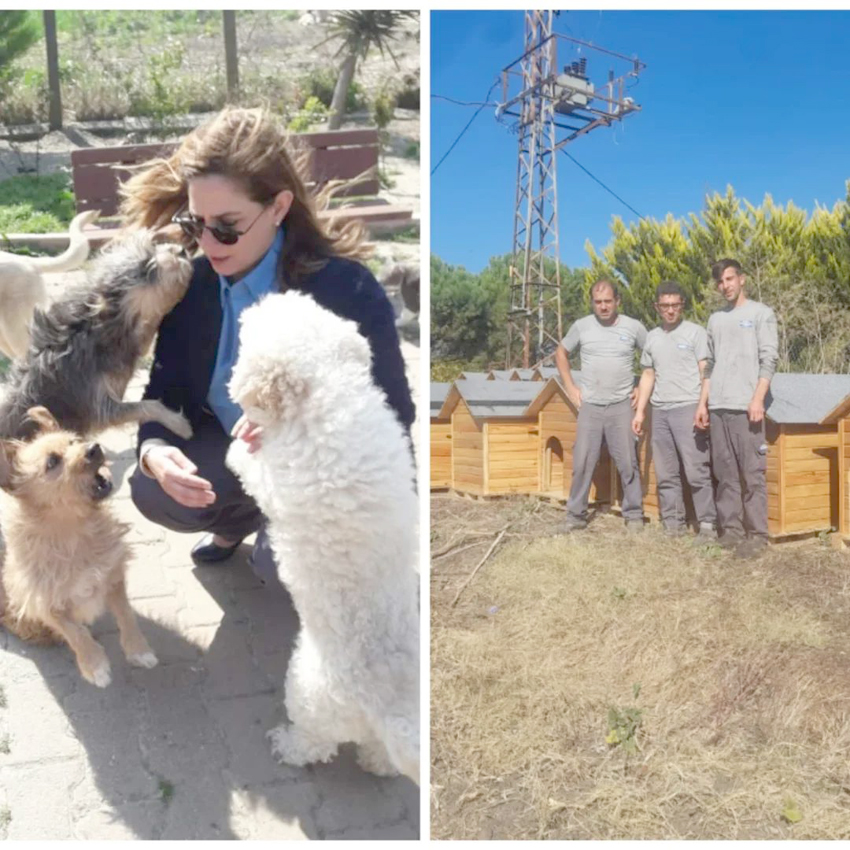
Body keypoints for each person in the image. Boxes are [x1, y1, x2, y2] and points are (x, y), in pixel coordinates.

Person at [120, 107, 415, 581]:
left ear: (278, 207)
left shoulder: (346, 290)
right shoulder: (191, 286)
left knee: (285, 569)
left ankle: (280, 530)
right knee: (152, 491)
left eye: (227, 225)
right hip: (227, 446)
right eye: (196, 224)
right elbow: (165, 391)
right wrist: (153, 450)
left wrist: (296, 430)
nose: (209, 243)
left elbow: (393, 414)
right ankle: (238, 519)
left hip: (321, 469)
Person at [695, 258, 778, 559]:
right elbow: (709, 365)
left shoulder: (761, 314)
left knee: (752, 472)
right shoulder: (715, 319)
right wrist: (703, 403)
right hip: (718, 407)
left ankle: (757, 535)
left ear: (742, 279)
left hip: (747, 408)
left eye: (730, 279)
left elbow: (770, 359)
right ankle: (731, 531)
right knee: (725, 472)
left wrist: (757, 398)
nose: (725, 285)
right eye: (720, 281)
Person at [556, 279, 647, 532]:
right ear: (592, 303)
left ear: (618, 301)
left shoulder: (634, 327)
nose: (604, 306)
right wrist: (570, 387)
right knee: (583, 461)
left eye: (608, 301)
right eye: (598, 302)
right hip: (591, 407)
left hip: (621, 405)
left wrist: (640, 386)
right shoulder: (581, 327)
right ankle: (575, 516)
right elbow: (561, 352)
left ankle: (634, 515)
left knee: (628, 461)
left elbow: (651, 357)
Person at [632, 281, 716, 538]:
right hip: (660, 412)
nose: (670, 310)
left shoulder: (695, 333)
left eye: (675, 305)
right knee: (666, 471)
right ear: (657, 307)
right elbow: (648, 374)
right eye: (665, 306)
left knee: (696, 470)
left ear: (682, 305)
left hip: (688, 407)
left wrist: (702, 404)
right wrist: (640, 412)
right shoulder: (653, 337)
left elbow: (707, 371)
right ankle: (673, 524)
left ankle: (708, 525)